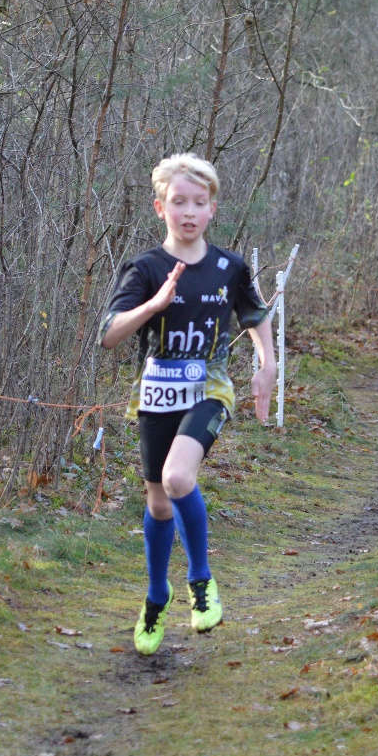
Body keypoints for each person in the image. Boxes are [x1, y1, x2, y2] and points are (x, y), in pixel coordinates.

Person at [99, 154, 275, 656]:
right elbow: (108, 335)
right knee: (157, 501)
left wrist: (267, 363)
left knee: (179, 479)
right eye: (179, 202)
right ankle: (157, 595)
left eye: (199, 202)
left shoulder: (229, 266)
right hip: (155, 391)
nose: (189, 212)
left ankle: (202, 581)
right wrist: (153, 307)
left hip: (209, 386)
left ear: (213, 209)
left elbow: (256, 314)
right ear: (160, 207)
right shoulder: (146, 268)